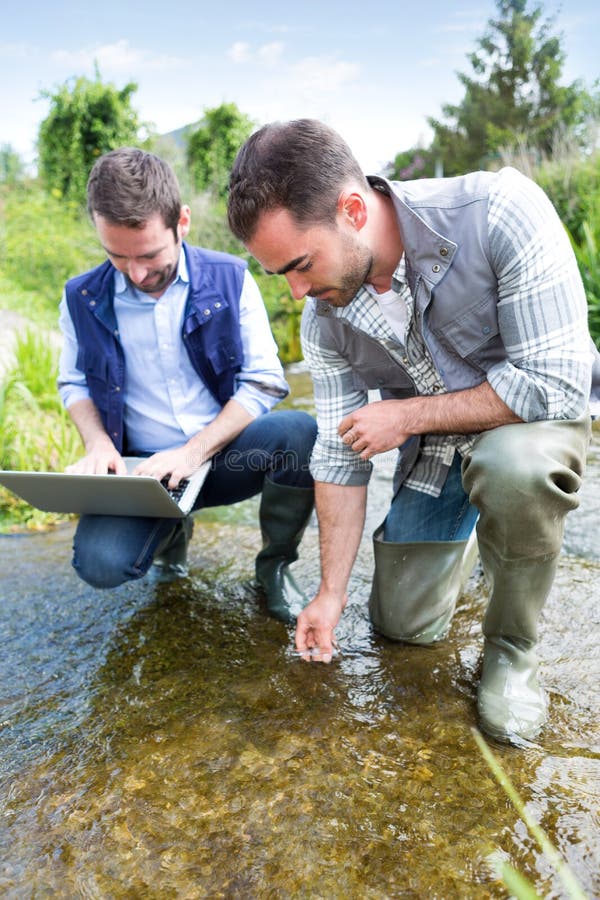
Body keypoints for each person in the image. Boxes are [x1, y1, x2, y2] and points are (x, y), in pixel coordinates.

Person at [227, 118, 600, 744]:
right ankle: (487, 543)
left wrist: (405, 416)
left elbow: (558, 383)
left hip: (529, 430)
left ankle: (512, 648)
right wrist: (329, 594)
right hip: (434, 454)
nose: (295, 293)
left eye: (299, 265)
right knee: (403, 626)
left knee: (512, 472)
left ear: (351, 209)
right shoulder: (325, 318)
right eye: (279, 276)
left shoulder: (500, 211)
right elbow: (339, 453)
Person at [58, 147, 317, 623]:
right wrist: (96, 443)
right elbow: (73, 381)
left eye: (149, 254)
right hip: (143, 472)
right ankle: (170, 536)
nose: (136, 273)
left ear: (182, 221)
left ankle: (275, 567)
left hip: (224, 457)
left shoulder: (232, 278)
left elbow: (264, 382)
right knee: (99, 565)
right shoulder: (81, 297)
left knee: (299, 434)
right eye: (117, 256)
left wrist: (193, 453)